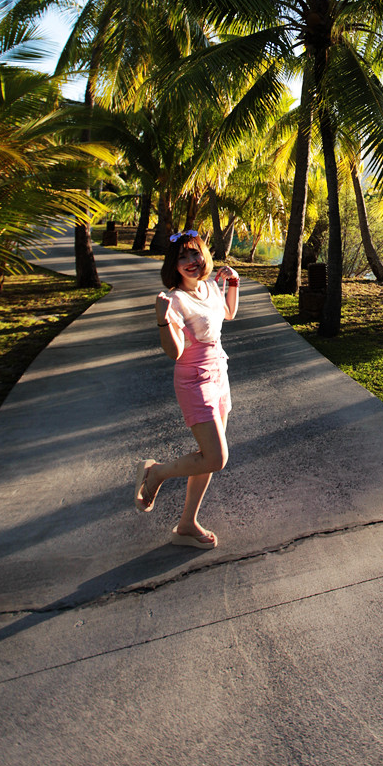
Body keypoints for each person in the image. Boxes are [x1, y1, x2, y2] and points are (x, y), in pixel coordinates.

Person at [133, 230, 240, 549]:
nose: (191, 262)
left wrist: (233, 283)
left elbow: (229, 314)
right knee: (217, 458)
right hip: (194, 380)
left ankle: (186, 524)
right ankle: (156, 473)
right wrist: (163, 321)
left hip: (219, 373)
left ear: (204, 255)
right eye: (182, 258)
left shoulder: (209, 287)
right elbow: (175, 352)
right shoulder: (175, 299)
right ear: (174, 265)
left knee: (207, 457)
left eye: (194, 254)